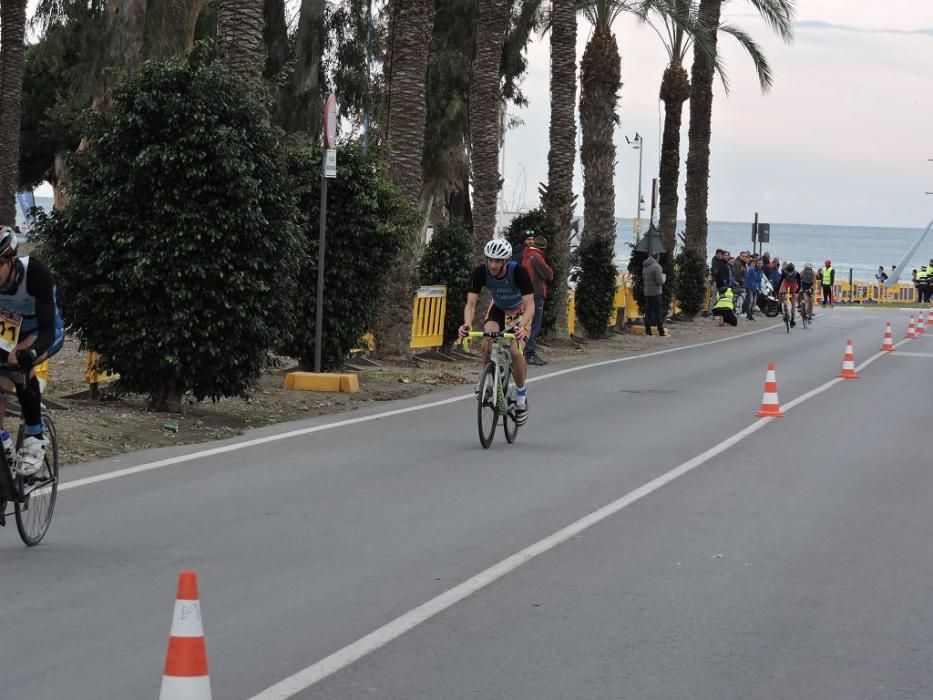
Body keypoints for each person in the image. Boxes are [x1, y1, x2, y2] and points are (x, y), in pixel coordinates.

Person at [0, 226, 65, 475]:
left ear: (11, 259)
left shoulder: (35, 273)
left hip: (43, 332)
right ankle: (3, 446)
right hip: (8, 333)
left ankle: (35, 437)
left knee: (18, 367)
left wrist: (32, 353)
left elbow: (48, 329)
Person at [459, 238, 535, 426]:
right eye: (490, 260)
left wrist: (523, 326)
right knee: (487, 336)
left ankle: (521, 396)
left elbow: (531, 305)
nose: (493, 265)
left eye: (497, 261)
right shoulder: (481, 272)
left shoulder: (518, 272)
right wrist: (467, 325)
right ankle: (488, 379)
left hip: (521, 313)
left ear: (505, 261)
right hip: (499, 310)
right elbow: (470, 304)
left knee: (516, 351)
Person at [520, 234, 553, 365]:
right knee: (535, 325)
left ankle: (521, 351)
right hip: (537, 294)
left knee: (526, 324)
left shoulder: (525, 254)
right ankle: (530, 354)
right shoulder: (537, 256)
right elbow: (548, 274)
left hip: (525, 294)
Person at [642, 251, 667, 336]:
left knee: (648, 313)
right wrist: (664, 278)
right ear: (658, 257)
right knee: (658, 313)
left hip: (647, 292)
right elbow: (659, 281)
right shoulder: (657, 267)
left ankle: (648, 332)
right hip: (656, 293)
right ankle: (661, 332)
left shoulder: (645, 266)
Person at [779, 262, 801, 327]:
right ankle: (780, 305)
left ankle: (792, 319)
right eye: (788, 271)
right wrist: (778, 290)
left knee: (793, 302)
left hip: (794, 283)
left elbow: (799, 285)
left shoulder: (797, 274)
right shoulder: (784, 272)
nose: (789, 273)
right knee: (781, 292)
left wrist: (796, 292)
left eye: (791, 272)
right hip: (786, 282)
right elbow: (781, 281)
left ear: (793, 270)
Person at [743, 256, 762, 321]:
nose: (760, 265)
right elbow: (748, 278)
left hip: (755, 288)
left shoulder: (760, 271)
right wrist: (750, 285)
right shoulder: (751, 269)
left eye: (761, 263)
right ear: (756, 264)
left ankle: (750, 314)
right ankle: (749, 315)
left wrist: (759, 288)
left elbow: (759, 281)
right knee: (750, 301)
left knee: (754, 302)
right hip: (749, 287)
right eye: (758, 263)